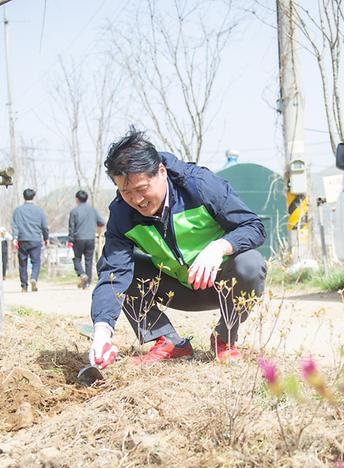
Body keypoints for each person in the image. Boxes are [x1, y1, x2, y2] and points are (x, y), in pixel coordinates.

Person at [88, 129, 267, 368]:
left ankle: (224, 338)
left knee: (251, 265)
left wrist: (218, 248)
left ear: (161, 171)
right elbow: (113, 272)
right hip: (173, 289)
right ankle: (168, 341)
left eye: (142, 189)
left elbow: (253, 226)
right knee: (112, 266)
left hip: (220, 284)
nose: (137, 200)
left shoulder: (200, 185)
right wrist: (101, 332)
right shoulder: (122, 213)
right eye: (126, 191)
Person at [12, 188, 49, 292]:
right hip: (36, 239)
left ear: (24, 196)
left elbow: (15, 225)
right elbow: (45, 226)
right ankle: (33, 277)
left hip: (22, 239)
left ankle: (24, 286)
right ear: (33, 197)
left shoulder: (18, 210)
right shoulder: (39, 211)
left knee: (22, 263)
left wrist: (15, 238)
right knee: (36, 261)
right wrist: (46, 238)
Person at [68, 190, 105, 289]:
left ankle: (81, 274)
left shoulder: (74, 211)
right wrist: (98, 231)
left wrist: (70, 240)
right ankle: (87, 283)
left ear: (77, 199)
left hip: (78, 238)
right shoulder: (93, 210)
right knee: (89, 260)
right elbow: (101, 222)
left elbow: (71, 227)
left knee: (77, 258)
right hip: (90, 238)